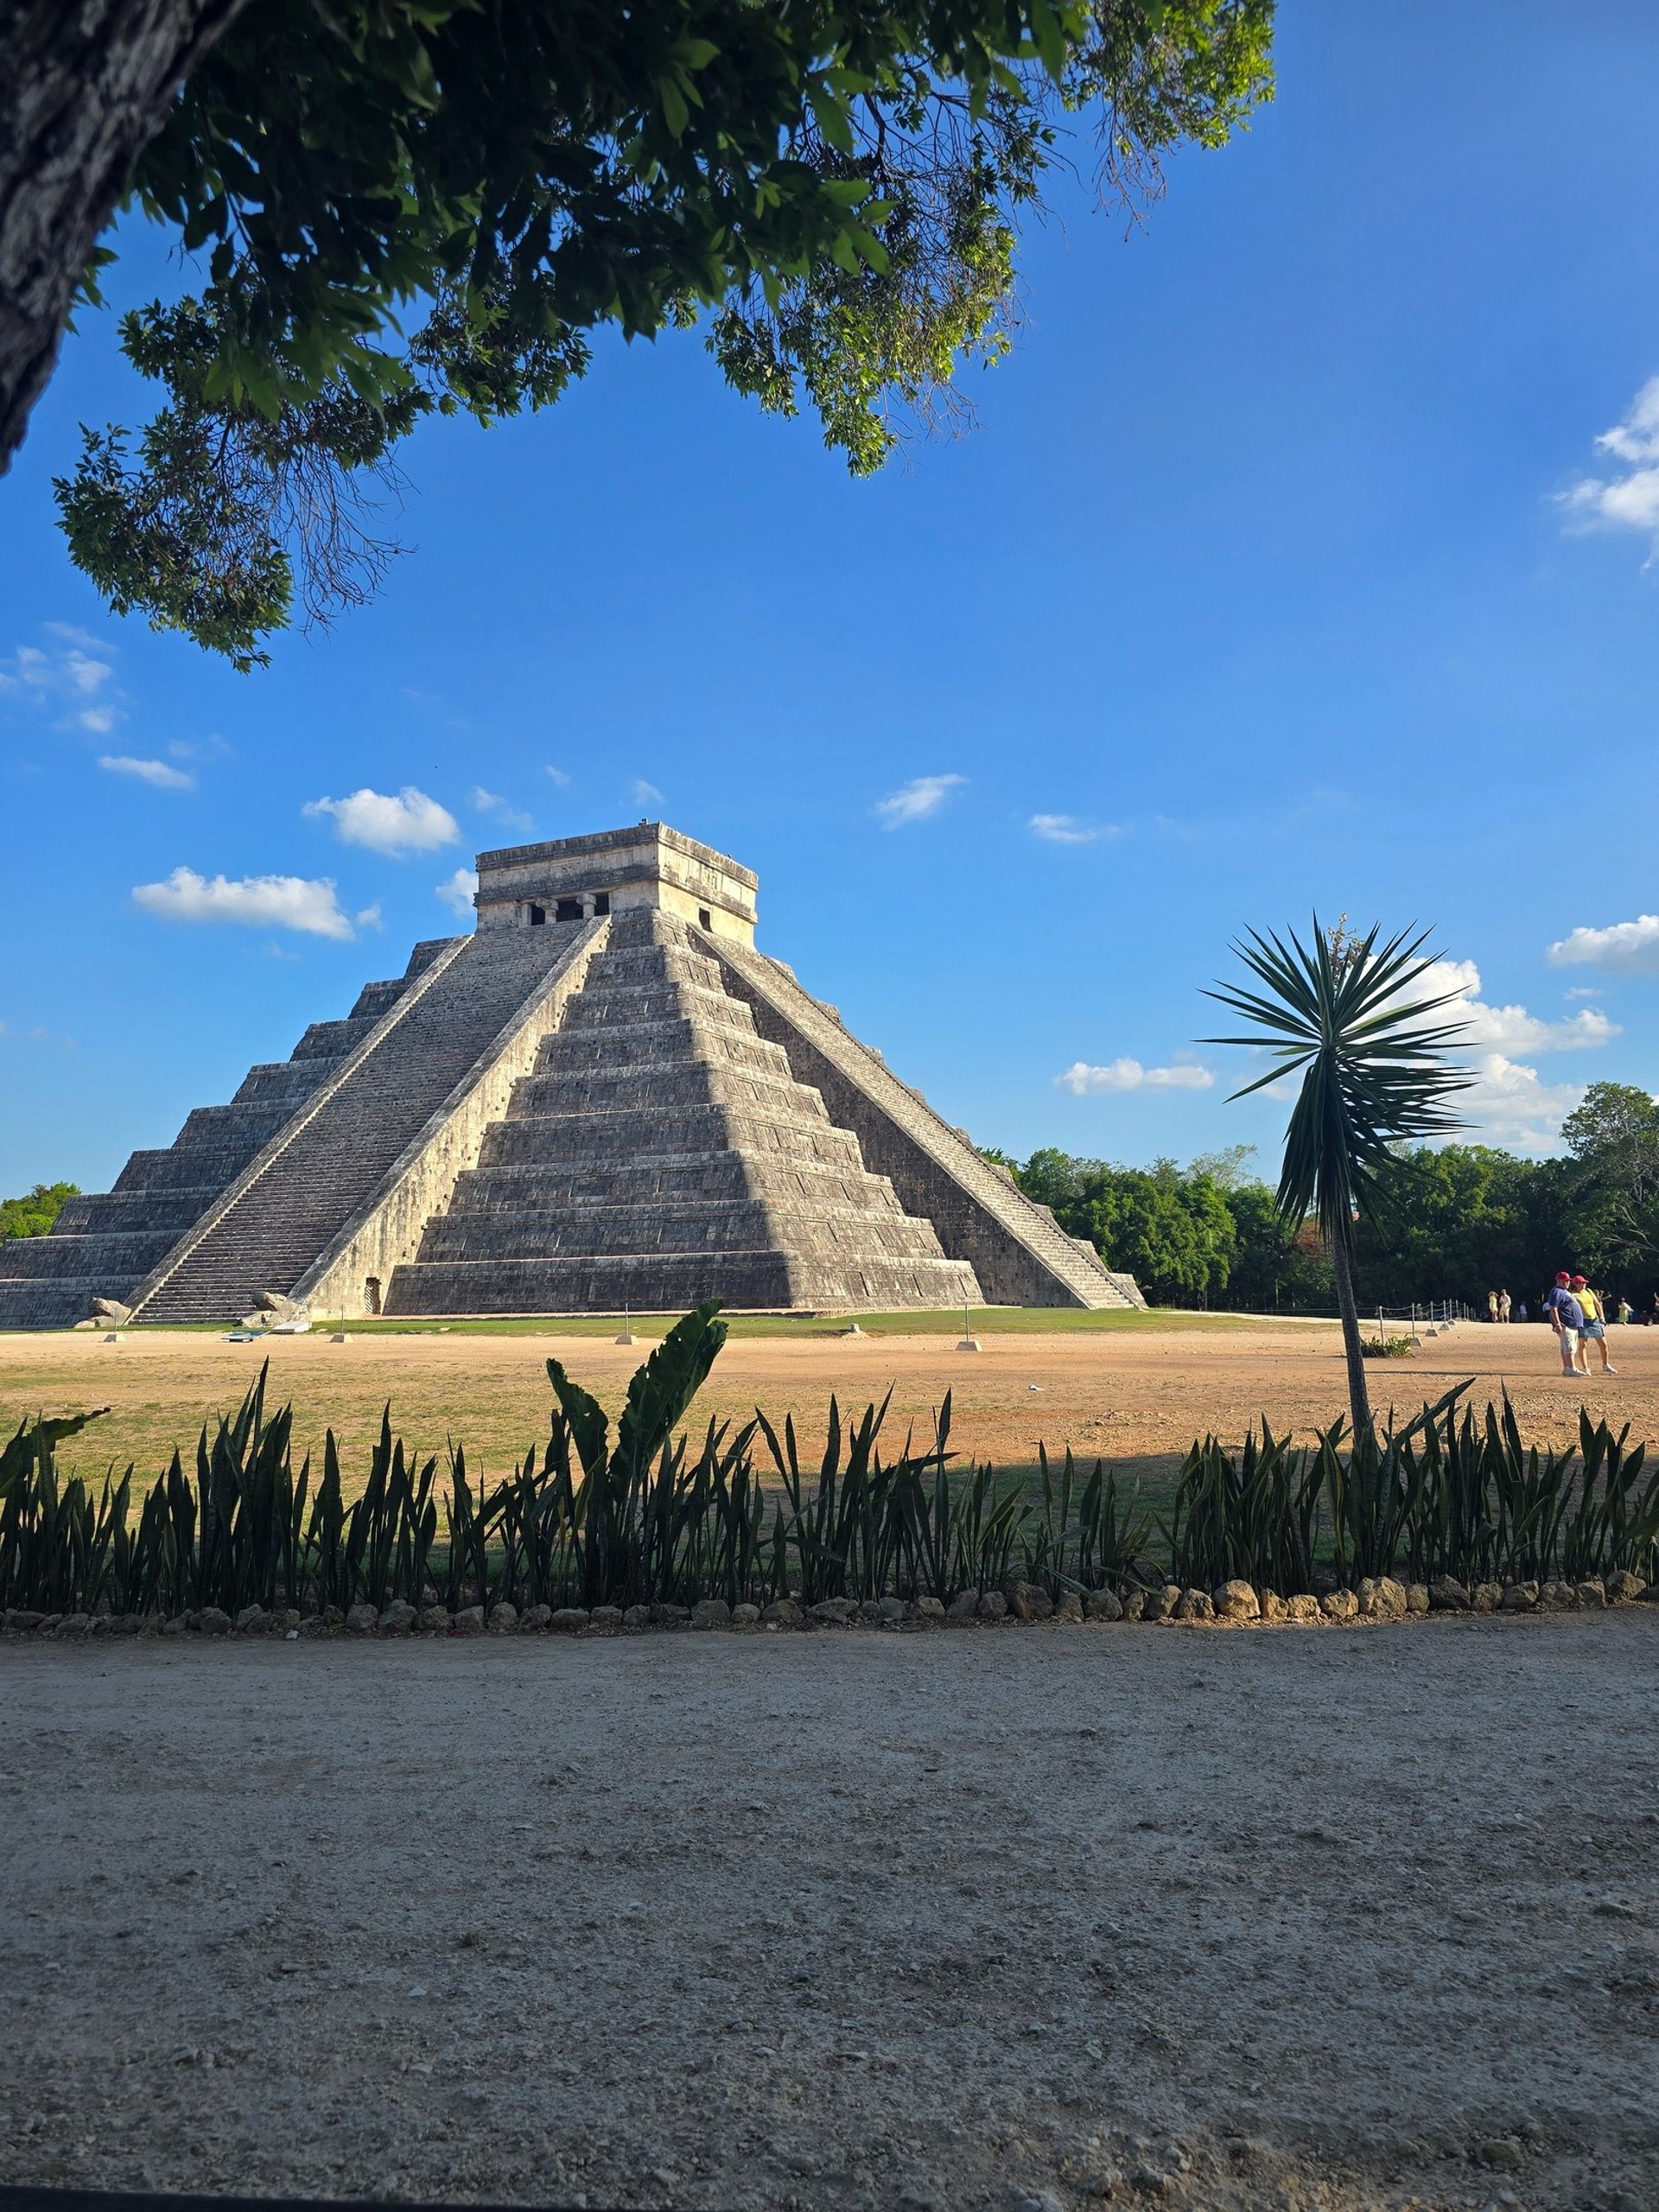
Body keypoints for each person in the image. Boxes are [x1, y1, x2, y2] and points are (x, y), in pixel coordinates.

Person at [1542, 1271, 1586, 1377]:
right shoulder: (1556, 1292)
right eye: (1565, 1281)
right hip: (1565, 1323)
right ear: (1558, 1281)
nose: (1567, 1283)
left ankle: (1567, 1368)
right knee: (1569, 1346)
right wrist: (1557, 1323)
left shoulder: (1564, 1291)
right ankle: (1572, 1368)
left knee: (1567, 1346)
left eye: (1568, 1281)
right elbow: (1553, 1308)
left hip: (1572, 1324)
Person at [1572, 1274, 1617, 1375]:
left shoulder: (1589, 1291)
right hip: (1583, 1321)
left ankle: (1606, 1365)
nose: (1583, 1285)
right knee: (1583, 1344)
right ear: (1575, 1284)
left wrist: (1601, 1317)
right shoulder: (1573, 1295)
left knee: (1603, 1344)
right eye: (1580, 1283)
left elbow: (1597, 1304)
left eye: (1584, 1283)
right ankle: (1585, 1368)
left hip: (1594, 1320)